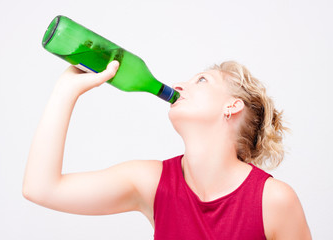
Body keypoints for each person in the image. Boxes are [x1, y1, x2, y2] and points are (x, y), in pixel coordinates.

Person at [23, 60, 312, 239]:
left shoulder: (273, 201)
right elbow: (41, 188)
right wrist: (66, 90)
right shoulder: (150, 182)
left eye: (201, 80)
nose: (177, 86)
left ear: (232, 106)